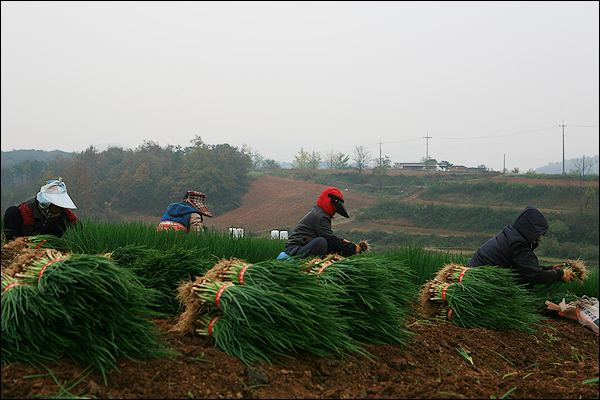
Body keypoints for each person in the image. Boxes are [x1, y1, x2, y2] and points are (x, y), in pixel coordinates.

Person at [466, 205, 576, 289]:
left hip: (473, 274)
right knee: (525, 280)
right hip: (478, 281)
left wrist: (549, 269)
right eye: (538, 234)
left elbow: (524, 265)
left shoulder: (510, 234)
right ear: (530, 230)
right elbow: (534, 275)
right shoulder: (518, 244)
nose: (539, 239)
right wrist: (560, 273)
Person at [281, 187, 363, 259]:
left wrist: (344, 242)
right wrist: (352, 248)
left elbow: (330, 238)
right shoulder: (320, 216)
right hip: (295, 251)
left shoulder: (318, 213)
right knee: (321, 242)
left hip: (301, 249)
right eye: (335, 208)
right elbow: (330, 240)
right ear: (330, 203)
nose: (335, 211)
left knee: (329, 246)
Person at [2, 178, 79, 241]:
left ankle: (50, 244)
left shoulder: (61, 209)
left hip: (42, 235)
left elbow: (75, 222)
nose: (60, 207)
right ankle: (11, 243)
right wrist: (36, 240)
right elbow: (27, 232)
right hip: (23, 234)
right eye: (56, 204)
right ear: (48, 203)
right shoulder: (29, 206)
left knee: (63, 219)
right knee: (12, 211)